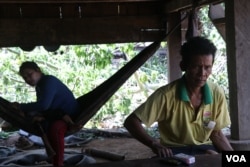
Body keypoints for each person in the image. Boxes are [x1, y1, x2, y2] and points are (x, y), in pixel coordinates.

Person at [124, 36, 233, 158]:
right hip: (174, 152)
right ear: (183, 66)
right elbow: (131, 122)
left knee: (220, 158)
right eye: (196, 67)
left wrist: (237, 160)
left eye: (207, 67)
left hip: (204, 150)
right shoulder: (166, 95)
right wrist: (154, 144)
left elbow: (216, 133)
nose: (202, 73)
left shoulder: (216, 92)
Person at [13, 61, 81, 167]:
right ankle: (52, 156)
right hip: (54, 114)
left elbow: (44, 105)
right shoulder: (39, 86)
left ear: (38, 70)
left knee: (55, 129)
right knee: (37, 122)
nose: (28, 79)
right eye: (25, 78)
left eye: (29, 74)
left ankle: (58, 164)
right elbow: (44, 108)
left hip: (69, 114)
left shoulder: (49, 81)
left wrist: (21, 106)